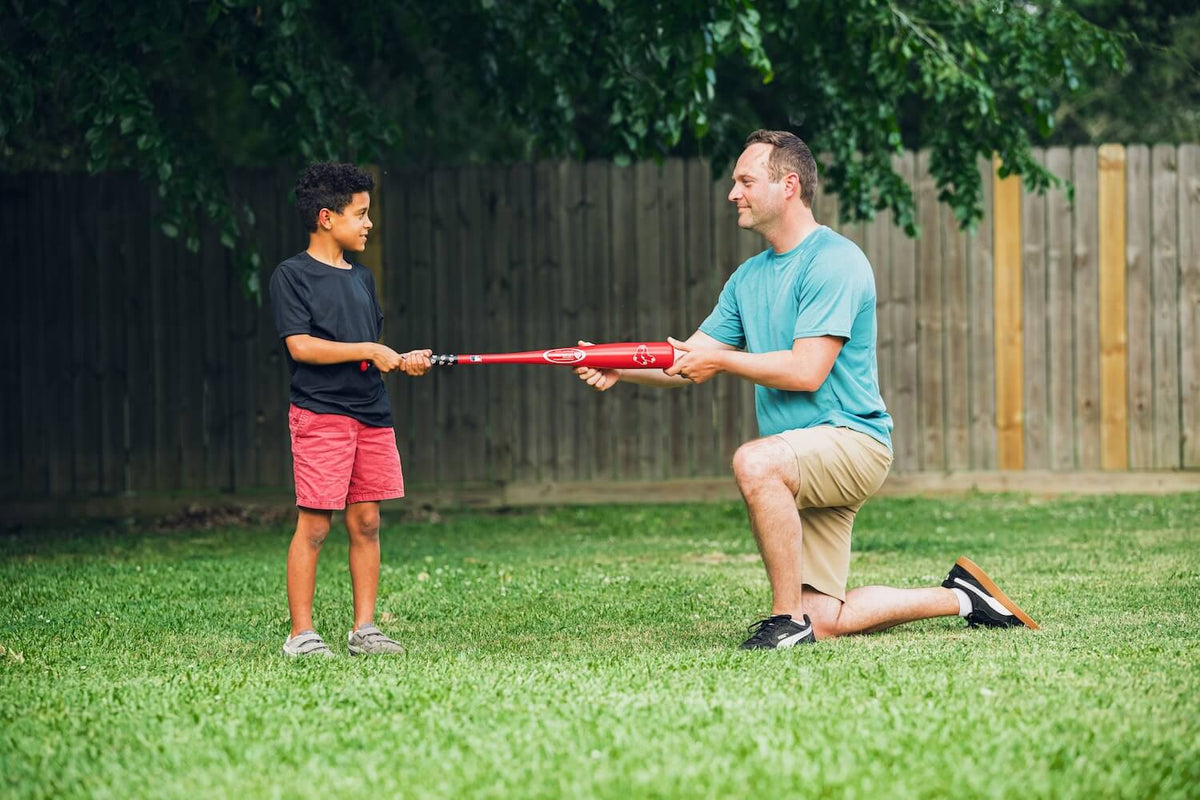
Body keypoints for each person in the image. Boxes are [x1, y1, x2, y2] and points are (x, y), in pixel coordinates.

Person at [576, 130, 1039, 649]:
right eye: (734, 183)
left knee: (755, 462)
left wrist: (723, 362)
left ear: (788, 185)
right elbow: (688, 357)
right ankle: (964, 598)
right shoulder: (747, 279)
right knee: (828, 617)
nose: (733, 193)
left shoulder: (834, 261)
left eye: (745, 181)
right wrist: (615, 365)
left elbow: (806, 371)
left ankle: (784, 622)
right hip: (800, 455)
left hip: (852, 440)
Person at [269, 162, 432, 657]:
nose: (368, 224)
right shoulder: (292, 276)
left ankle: (365, 629)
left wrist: (399, 360)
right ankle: (301, 635)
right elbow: (301, 347)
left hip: (371, 415)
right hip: (321, 415)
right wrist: (368, 349)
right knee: (316, 524)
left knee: (366, 523)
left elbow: (367, 351)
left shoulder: (362, 279)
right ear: (326, 217)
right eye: (360, 214)